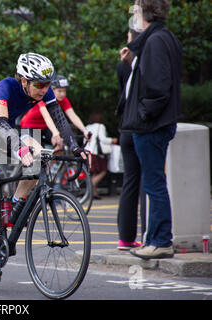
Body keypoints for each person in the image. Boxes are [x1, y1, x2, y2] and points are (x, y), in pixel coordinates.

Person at [0, 53, 87, 278]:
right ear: (23, 80)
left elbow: (60, 119)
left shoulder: (44, 90)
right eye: (39, 85)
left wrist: (75, 147)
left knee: (39, 160)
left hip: (8, 130)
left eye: (47, 84)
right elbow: (0, 122)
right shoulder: (5, 87)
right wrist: (20, 149)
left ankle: (15, 205)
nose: (44, 89)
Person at [117, 0, 182, 259]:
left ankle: (160, 240)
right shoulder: (162, 38)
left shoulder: (155, 41)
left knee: (154, 185)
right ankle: (156, 239)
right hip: (153, 124)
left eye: (134, 9)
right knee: (154, 184)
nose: (132, 13)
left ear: (144, 11)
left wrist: (144, 113)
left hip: (150, 126)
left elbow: (157, 86)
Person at [116, 28, 144, 250]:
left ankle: (125, 238)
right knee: (150, 183)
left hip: (125, 125)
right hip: (141, 126)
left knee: (130, 182)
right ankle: (150, 236)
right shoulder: (143, 61)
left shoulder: (122, 63)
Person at [20, 75, 90, 145]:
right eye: (59, 91)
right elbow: (46, 116)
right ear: (51, 90)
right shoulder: (42, 97)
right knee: (37, 152)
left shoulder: (63, 100)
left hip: (45, 127)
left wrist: (85, 130)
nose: (62, 94)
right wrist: (55, 132)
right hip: (31, 126)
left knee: (61, 143)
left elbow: (72, 115)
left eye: (64, 91)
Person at [84, 111, 118, 200]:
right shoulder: (100, 126)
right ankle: (91, 185)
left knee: (95, 172)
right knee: (103, 170)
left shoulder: (87, 127)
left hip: (88, 152)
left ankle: (94, 193)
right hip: (96, 152)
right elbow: (103, 139)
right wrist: (112, 140)